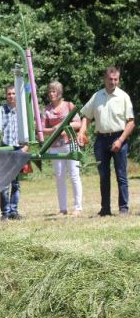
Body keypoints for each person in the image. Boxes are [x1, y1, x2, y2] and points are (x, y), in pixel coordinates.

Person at [78, 67, 135, 216]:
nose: (113, 82)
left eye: (116, 79)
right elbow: (87, 116)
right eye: (110, 79)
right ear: (105, 79)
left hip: (119, 138)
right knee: (104, 176)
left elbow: (131, 122)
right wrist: (83, 131)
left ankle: (123, 208)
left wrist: (120, 140)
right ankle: (105, 209)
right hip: (101, 140)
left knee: (121, 176)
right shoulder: (97, 96)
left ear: (118, 79)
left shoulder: (123, 97)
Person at [42, 81, 82, 216]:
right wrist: (53, 129)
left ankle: (78, 207)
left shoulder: (69, 106)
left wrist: (65, 127)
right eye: (50, 91)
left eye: (54, 91)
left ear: (59, 93)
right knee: (60, 178)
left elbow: (78, 123)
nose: (51, 94)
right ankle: (63, 209)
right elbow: (41, 130)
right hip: (54, 147)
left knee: (74, 175)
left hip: (71, 144)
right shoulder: (46, 110)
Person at [0, 85, 26, 221]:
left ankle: (14, 211)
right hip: (5, 148)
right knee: (4, 184)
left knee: (15, 183)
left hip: (18, 149)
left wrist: (26, 147)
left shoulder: (22, 112)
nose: (11, 96)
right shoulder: (1, 111)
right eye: (9, 94)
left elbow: (28, 130)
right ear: (6, 95)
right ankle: (5, 212)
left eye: (13, 93)